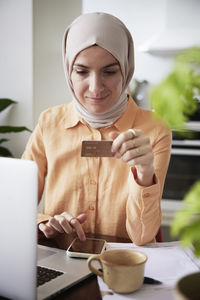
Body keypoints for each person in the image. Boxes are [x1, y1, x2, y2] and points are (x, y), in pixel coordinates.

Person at [22, 12, 171, 246]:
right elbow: (15, 206)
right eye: (81, 72)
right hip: (61, 259)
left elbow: (143, 236)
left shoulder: (154, 130)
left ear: (126, 68)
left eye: (109, 71)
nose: (95, 87)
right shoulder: (49, 122)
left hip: (122, 265)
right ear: (69, 71)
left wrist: (144, 173)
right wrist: (45, 222)